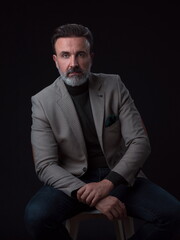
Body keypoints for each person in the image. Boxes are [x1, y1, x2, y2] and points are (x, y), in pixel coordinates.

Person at [24, 23, 180, 240]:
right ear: (55, 60)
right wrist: (92, 195)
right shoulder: (42, 101)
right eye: (66, 55)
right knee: (36, 216)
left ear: (91, 57)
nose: (73, 63)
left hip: (118, 176)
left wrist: (108, 184)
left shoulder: (114, 85)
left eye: (81, 54)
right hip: (71, 182)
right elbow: (45, 165)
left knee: (174, 215)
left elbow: (140, 141)